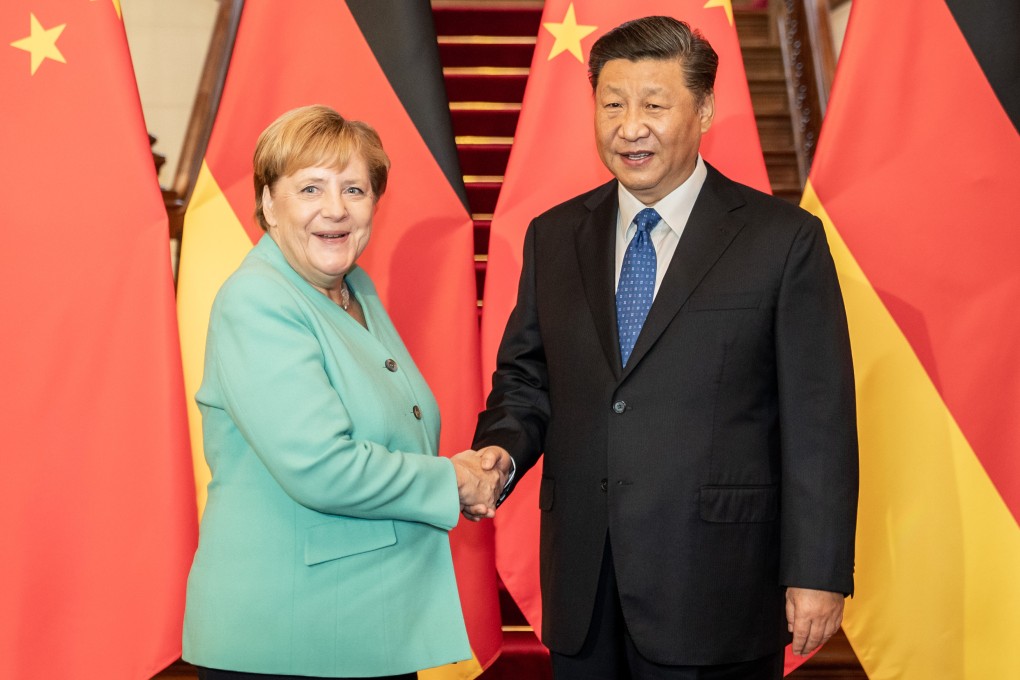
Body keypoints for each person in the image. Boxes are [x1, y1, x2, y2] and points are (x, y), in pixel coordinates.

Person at [472, 16, 858, 680]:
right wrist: (501, 450)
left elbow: (818, 423)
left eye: (654, 105)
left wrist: (818, 572)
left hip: (717, 587)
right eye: (613, 104)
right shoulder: (555, 236)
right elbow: (528, 375)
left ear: (704, 108)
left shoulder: (783, 241)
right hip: (584, 587)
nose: (630, 127)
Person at [182, 105, 500, 680]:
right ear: (268, 204)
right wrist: (451, 480)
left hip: (364, 627)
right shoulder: (259, 301)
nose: (335, 209)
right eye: (310, 188)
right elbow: (323, 466)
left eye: (354, 188)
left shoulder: (353, 289)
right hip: (288, 638)